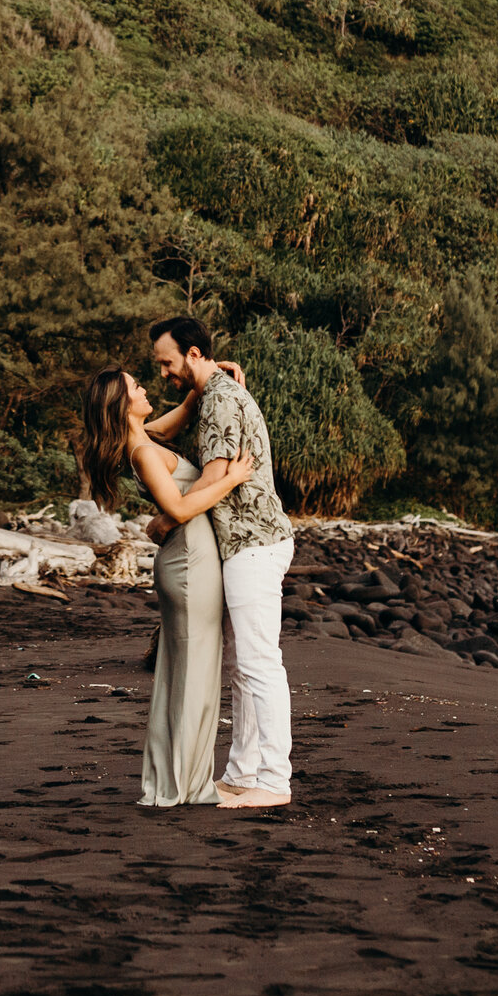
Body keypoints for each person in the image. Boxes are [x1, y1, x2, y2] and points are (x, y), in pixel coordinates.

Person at [78, 367, 260, 807]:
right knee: (192, 677)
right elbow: (178, 507)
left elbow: (182, 412)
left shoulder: (142, 435)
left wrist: (211, 376)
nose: (144, 387)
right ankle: (181, 785)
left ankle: (174, 780)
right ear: (123, 405)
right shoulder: (141, 449)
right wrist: (232, 479)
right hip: (188, 564)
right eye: (136, 386)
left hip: (189, 560)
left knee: (187, 675)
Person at [147, 314, 295, 809]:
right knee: (240, 665)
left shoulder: (221, 402)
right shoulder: (210, 396)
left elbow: (215, 478)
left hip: (253, 543)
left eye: (167, 363)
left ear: (192, 353)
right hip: (242, 545)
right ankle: (241, 773)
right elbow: (149, 432)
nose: (163, 375)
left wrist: (165, 524)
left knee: (258, 664)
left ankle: (274, 781)